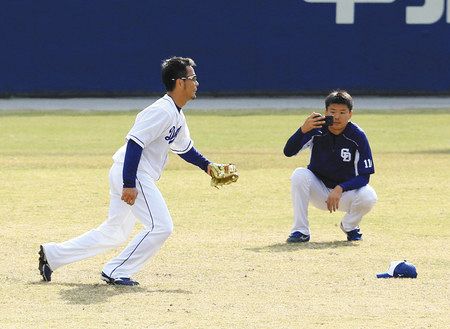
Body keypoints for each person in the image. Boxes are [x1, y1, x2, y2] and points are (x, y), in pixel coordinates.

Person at [39, 56, 228, 285]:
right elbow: (134, 143)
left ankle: (52, 255)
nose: (197, 83)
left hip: (128, 172)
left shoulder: (176, 113)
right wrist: (129, 183)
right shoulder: (161, 111)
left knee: (114, 232)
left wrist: (208, 167)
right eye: (193, 78)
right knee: (161, 226)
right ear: (180, 82)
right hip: (133, 173)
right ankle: (115, 271)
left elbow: (184, 149)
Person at [283, 90, 377, 243]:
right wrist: (302, 130)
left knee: (369, 196)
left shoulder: (357, 136)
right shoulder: (316, 129)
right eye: (332, 111)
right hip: (318, 191)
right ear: (325, 112)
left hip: (344, 195)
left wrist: (340, 188)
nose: (337, 116)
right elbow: (288, 152)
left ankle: (349, 226)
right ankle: (300, 231)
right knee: (299, 174)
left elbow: (364, 177)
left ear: (350, 114)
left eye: (342, 112)